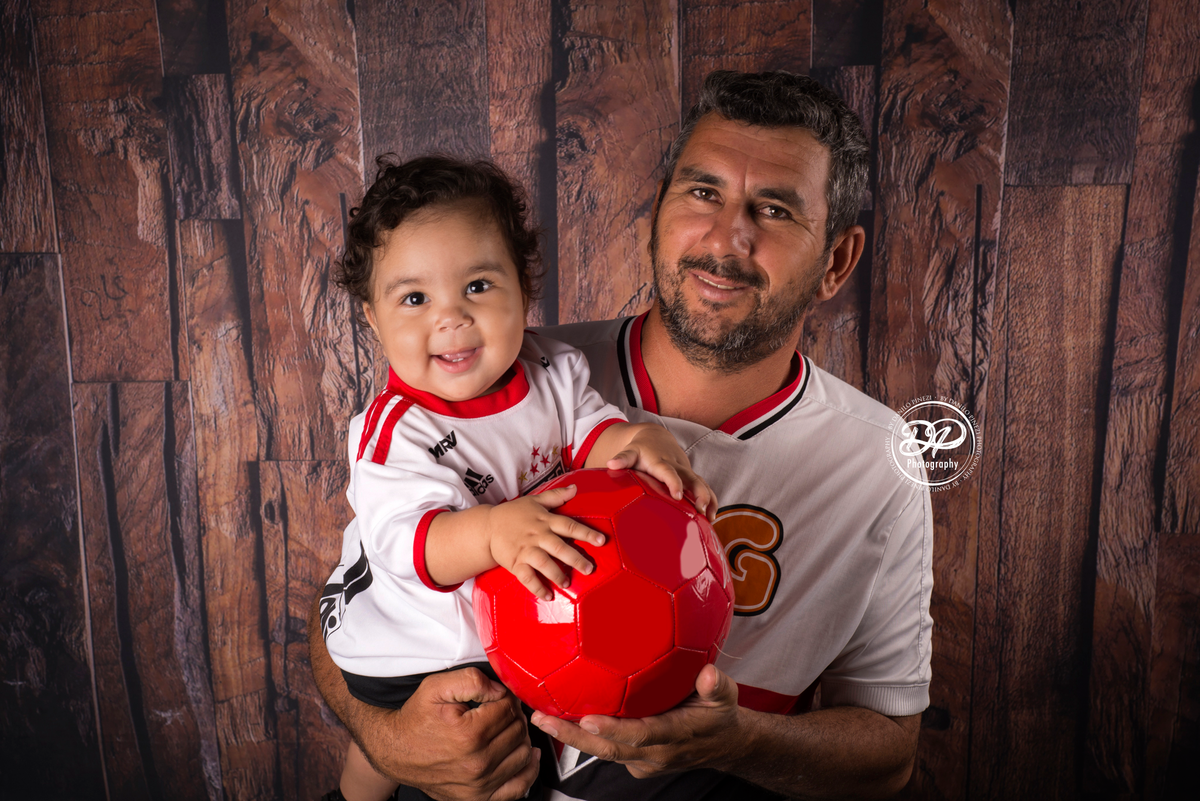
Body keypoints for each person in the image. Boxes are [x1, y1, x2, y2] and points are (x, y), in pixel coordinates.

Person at [309, 70, 933, 800]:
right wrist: (390, 741)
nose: (727, 236)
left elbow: (890, 752)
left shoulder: (879, 462)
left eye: (773, 209)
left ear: (835, 261)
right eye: (702, 193)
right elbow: (351, 610)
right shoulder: (508, 376)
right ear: (657, 214)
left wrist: (742, 743)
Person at [318, 155, 716, 801]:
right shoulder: (396, 429)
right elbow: (412, 546)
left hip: (503, 627)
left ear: (523, 288)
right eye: (414, 298)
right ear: (371, 316)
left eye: (478, 285)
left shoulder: (552, 371)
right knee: (496, 771)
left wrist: (642, 440)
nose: (450, 317)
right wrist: (496, 531)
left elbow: (595, 437)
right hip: (415, 649)